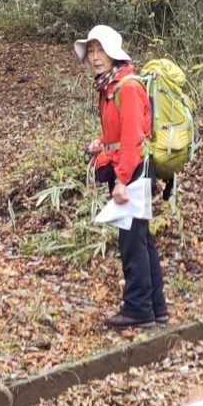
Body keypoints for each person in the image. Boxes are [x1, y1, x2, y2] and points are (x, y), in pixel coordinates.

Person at [75, 24, 169, 328]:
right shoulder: (109, 87)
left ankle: (138, 309)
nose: (94, 57)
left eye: (100, 50)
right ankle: (156, 308)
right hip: (129, 167)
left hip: (133, 170)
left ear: (113, 53)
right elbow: (117, 134)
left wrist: (121, 181)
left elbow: (133, 139)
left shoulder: (126, 87)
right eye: (91, 51)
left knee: (132, 242)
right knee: (141, 239)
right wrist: (101, 143)